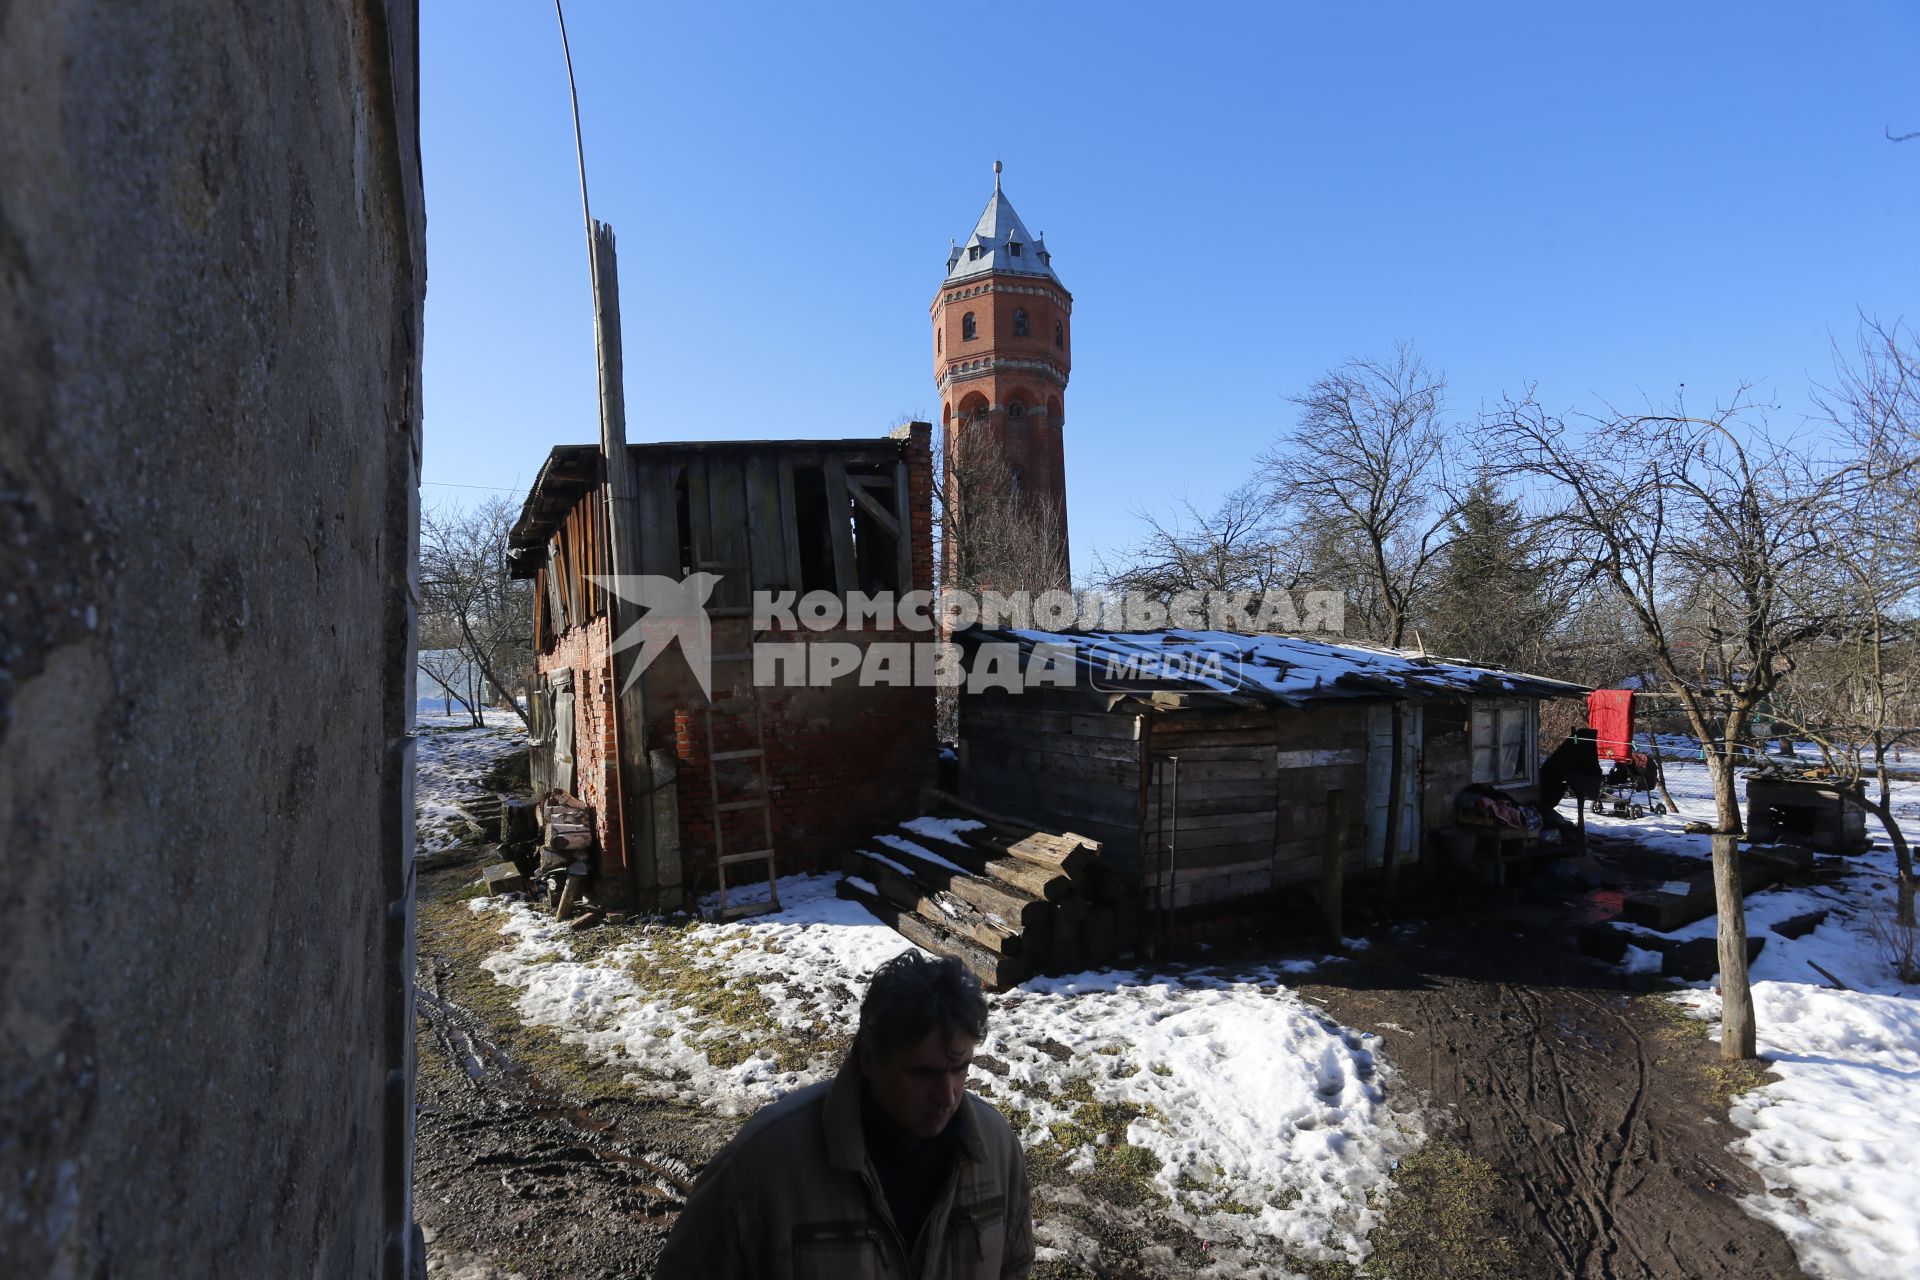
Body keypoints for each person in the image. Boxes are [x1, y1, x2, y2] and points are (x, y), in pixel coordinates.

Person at [655, 951, 1033, 1278]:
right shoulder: (764, 1166)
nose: (947, 1096)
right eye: (923, 1073)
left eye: (960, 1068)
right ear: (869, 1059)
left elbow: (1014, 1264)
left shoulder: (996, 1149)